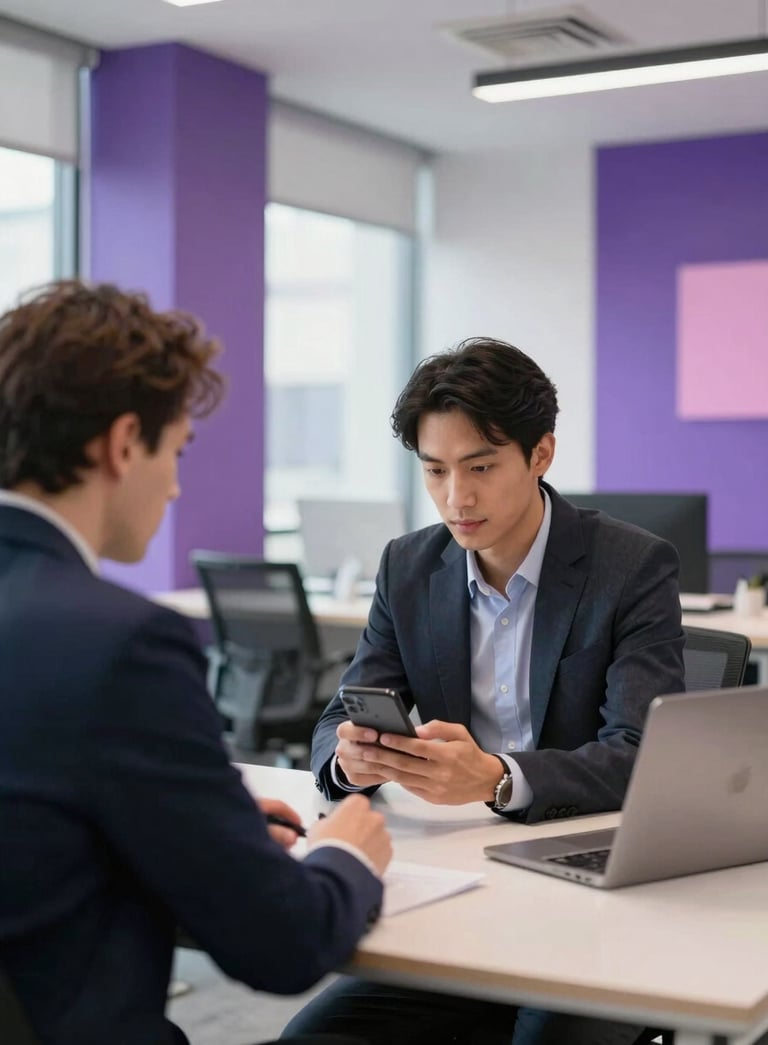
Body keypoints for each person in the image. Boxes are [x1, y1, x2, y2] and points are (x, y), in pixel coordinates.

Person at [0, 280, 392, 1045]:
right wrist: (347, 855)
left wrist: (201, 824)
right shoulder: (119, 642)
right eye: (174, 451)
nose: (176, 484)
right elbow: (282, 943)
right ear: (121, 444)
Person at [286, 336, 685, 1045]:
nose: (455, 497)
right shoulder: (409, 564)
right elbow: (335, 719)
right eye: (434, 470)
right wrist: (354, 760)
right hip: (455, 889)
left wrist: (500, 778)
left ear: (540, 455)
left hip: (588, 894)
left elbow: (642, 755)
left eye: (480, 467)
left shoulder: (630, 566)